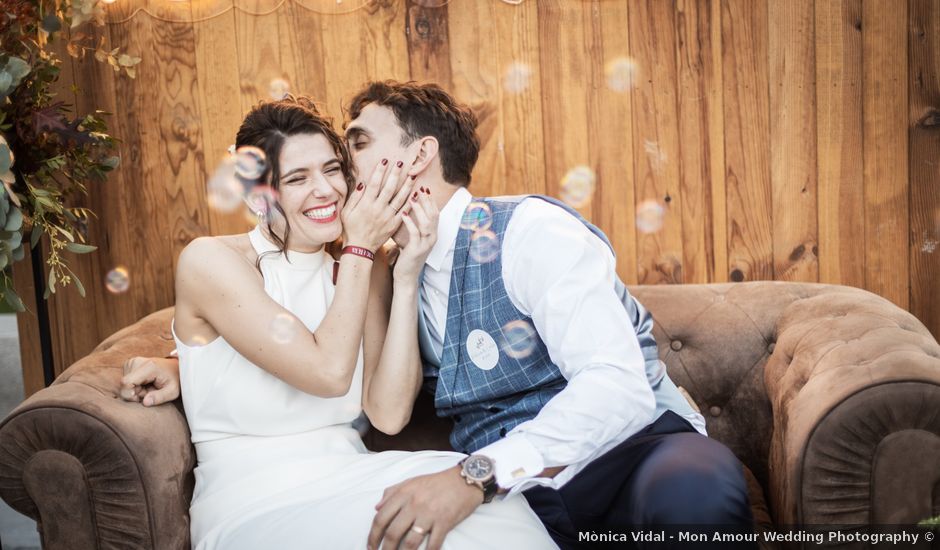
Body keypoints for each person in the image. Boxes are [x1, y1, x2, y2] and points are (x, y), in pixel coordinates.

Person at [127, 82, 756, 550]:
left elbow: (614, 385)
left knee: (693, 493)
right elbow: (302, 349)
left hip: (623, 456)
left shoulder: (527, 232)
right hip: (518, 489)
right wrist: (194, 365)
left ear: (420, 156)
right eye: (304, 176)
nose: (337, 183)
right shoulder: (383, 261)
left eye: (348, 155)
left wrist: (479, 475)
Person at [123, 95, 556, 550]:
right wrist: (360, 251)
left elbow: (387, 416)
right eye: (297, 178)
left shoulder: (365, 272)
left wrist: (404, 277)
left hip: (354, 472)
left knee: (497, 507)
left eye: (332, 169)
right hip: (257, 500)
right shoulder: (211, 260)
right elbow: (327, 373)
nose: (326, 190)